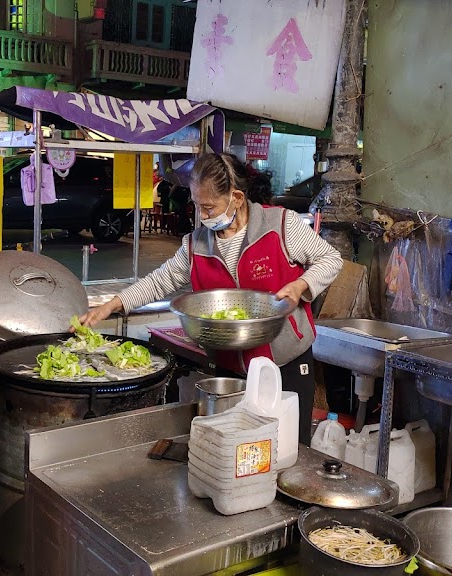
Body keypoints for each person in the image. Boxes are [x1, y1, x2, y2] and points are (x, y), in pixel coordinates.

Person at [80, 153, 344, 443]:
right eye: (197, 206)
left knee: (287, 448)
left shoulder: (281, 225)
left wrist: (300, 286)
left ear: (237, 198)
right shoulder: (196, 244)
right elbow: (160, 281)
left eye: (209, 207)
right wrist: (111, 306)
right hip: (228, 368)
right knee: (234, 452)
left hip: (285, 363)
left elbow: (330, 259)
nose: (203, 217)